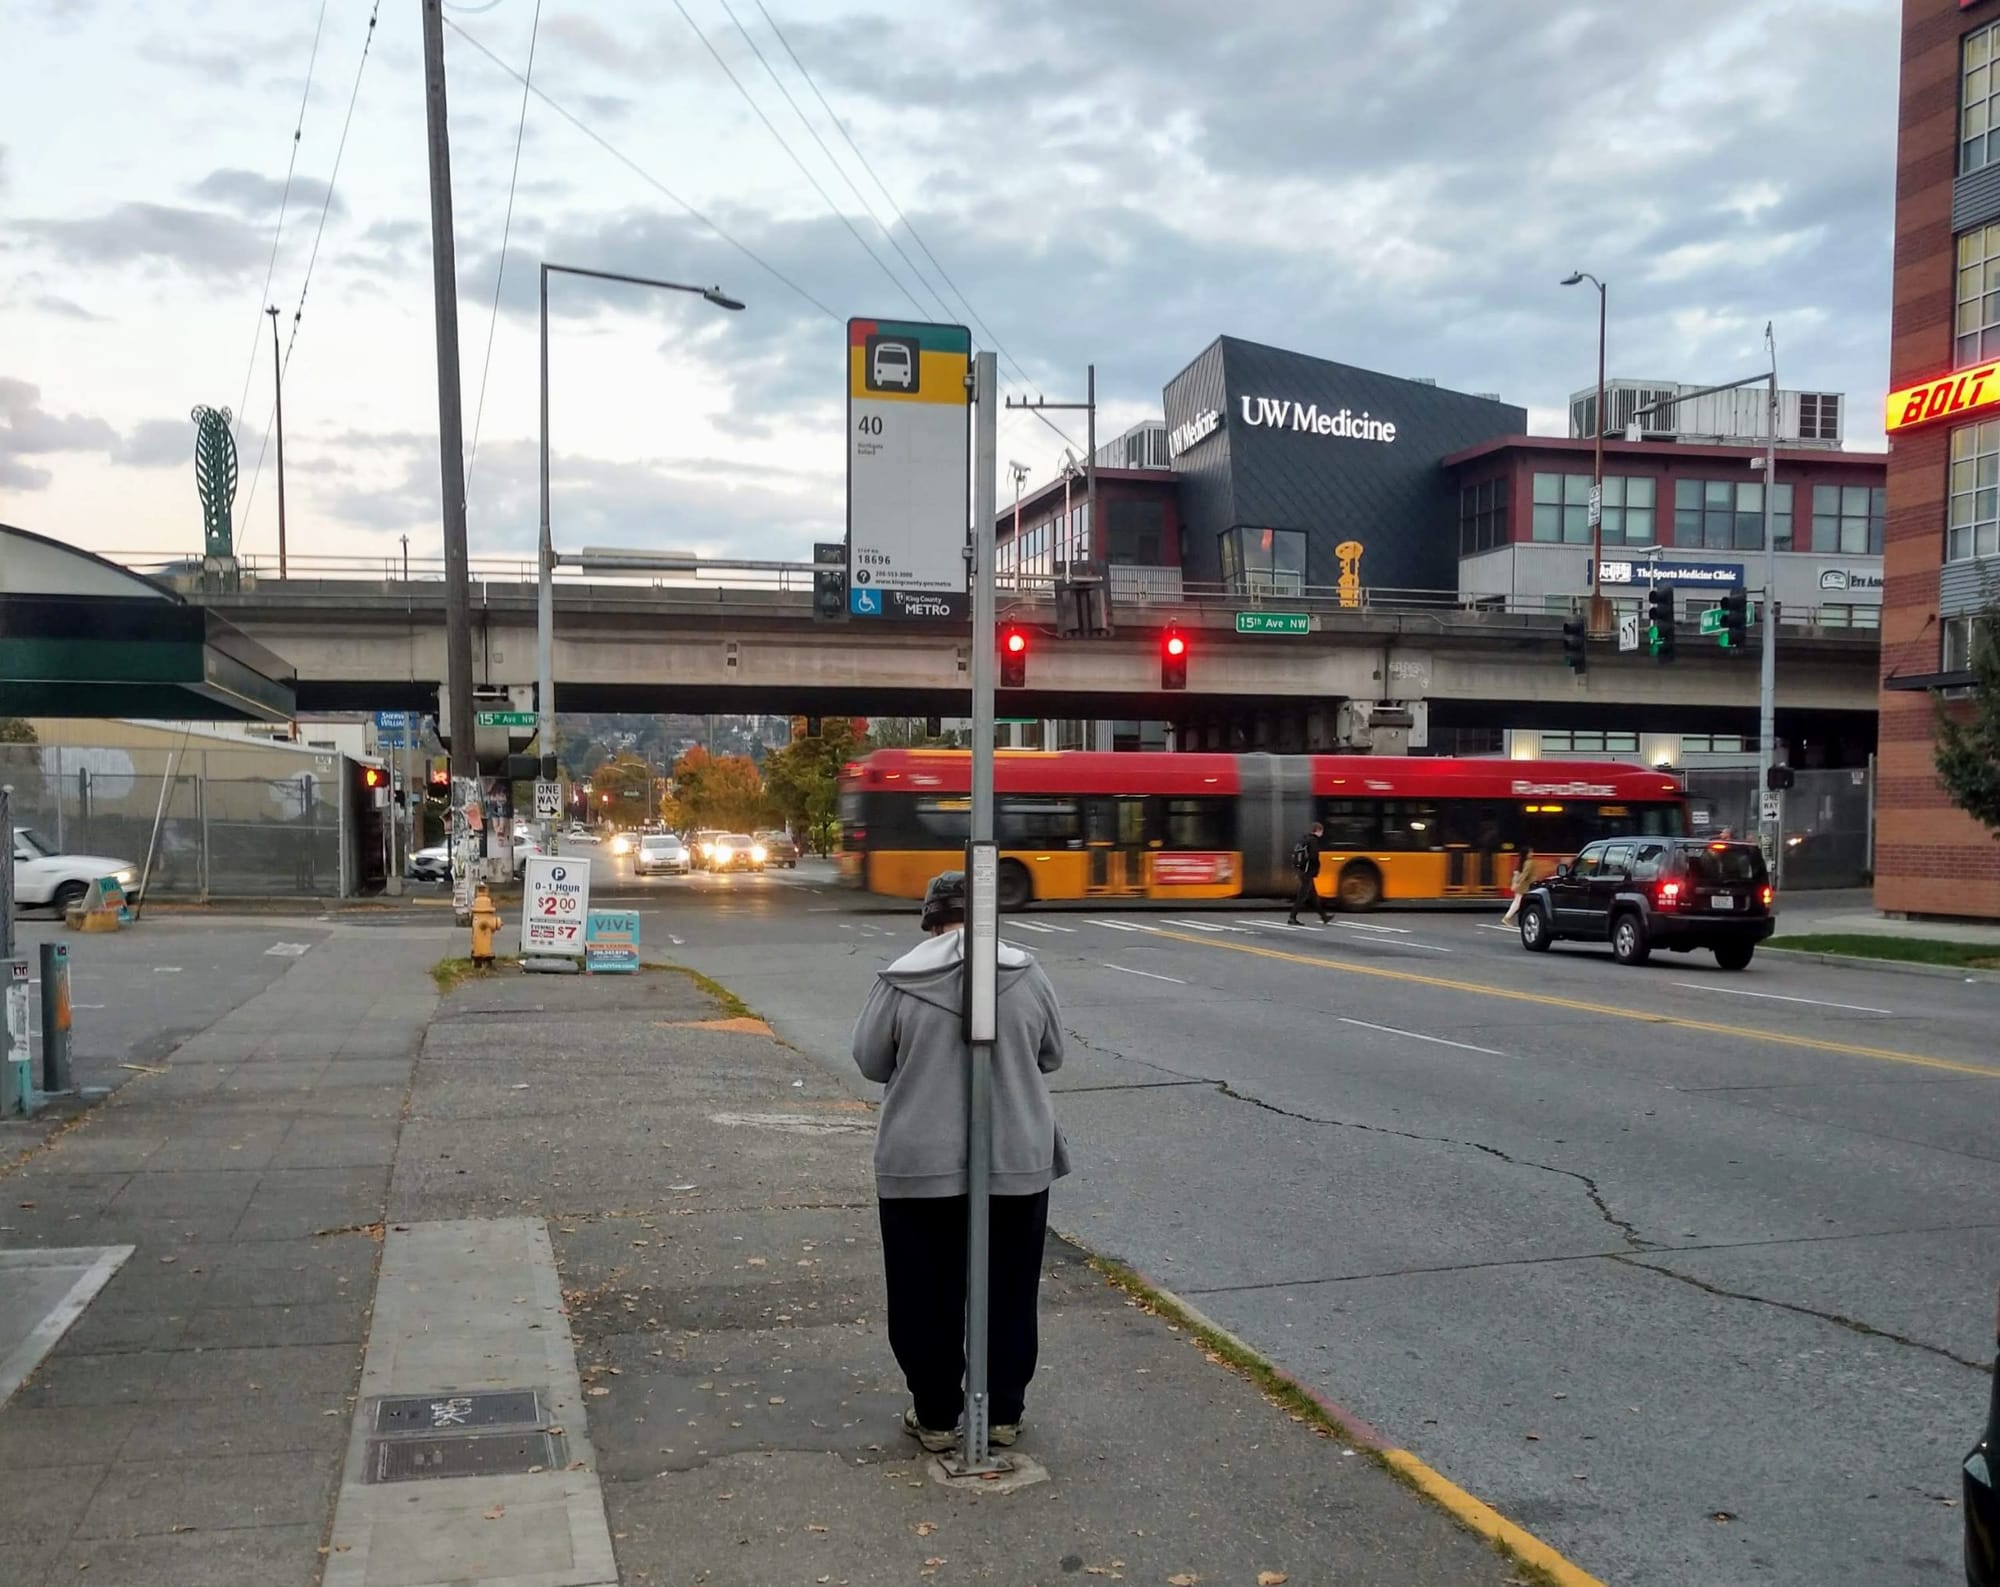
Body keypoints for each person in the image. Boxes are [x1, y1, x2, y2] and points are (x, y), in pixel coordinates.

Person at [851, 870, 1069, 1454]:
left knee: (924, 1290)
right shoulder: (1026, 971)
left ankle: (938, 1414)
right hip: (1016, 1154)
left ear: (930, 915)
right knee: (1010, 1289)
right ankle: (1002, 1413)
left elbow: (871, 1060)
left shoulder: (900, 977)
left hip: (920, 1160)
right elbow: (1053, 1054)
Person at [1289, 820, 1330, 925]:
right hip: (1307, 872)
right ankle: (1292, 917)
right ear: (1318, 830)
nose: (1322, 834)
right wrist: (1316, 868)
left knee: (1313, 895)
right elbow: (1313, 857)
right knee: (1302, 896)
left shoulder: (1304, 839)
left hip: (1302, 870)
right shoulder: (1313, 841)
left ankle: (1324, 916)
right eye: (1321, 831)